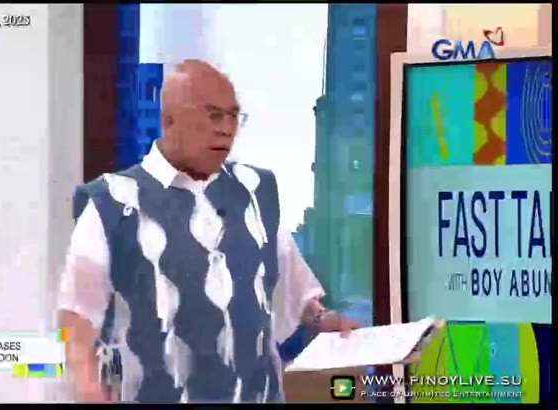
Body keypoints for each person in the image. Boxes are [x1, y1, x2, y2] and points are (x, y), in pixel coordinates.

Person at [58, 59, 361, 403]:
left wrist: (324, 319)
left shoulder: (253, 193)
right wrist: (89, 390)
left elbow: (289, 283)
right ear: (170, 120)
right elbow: (77, 318)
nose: (227, 129)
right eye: (214, 116)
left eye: (234, 117)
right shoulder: (112, 203)